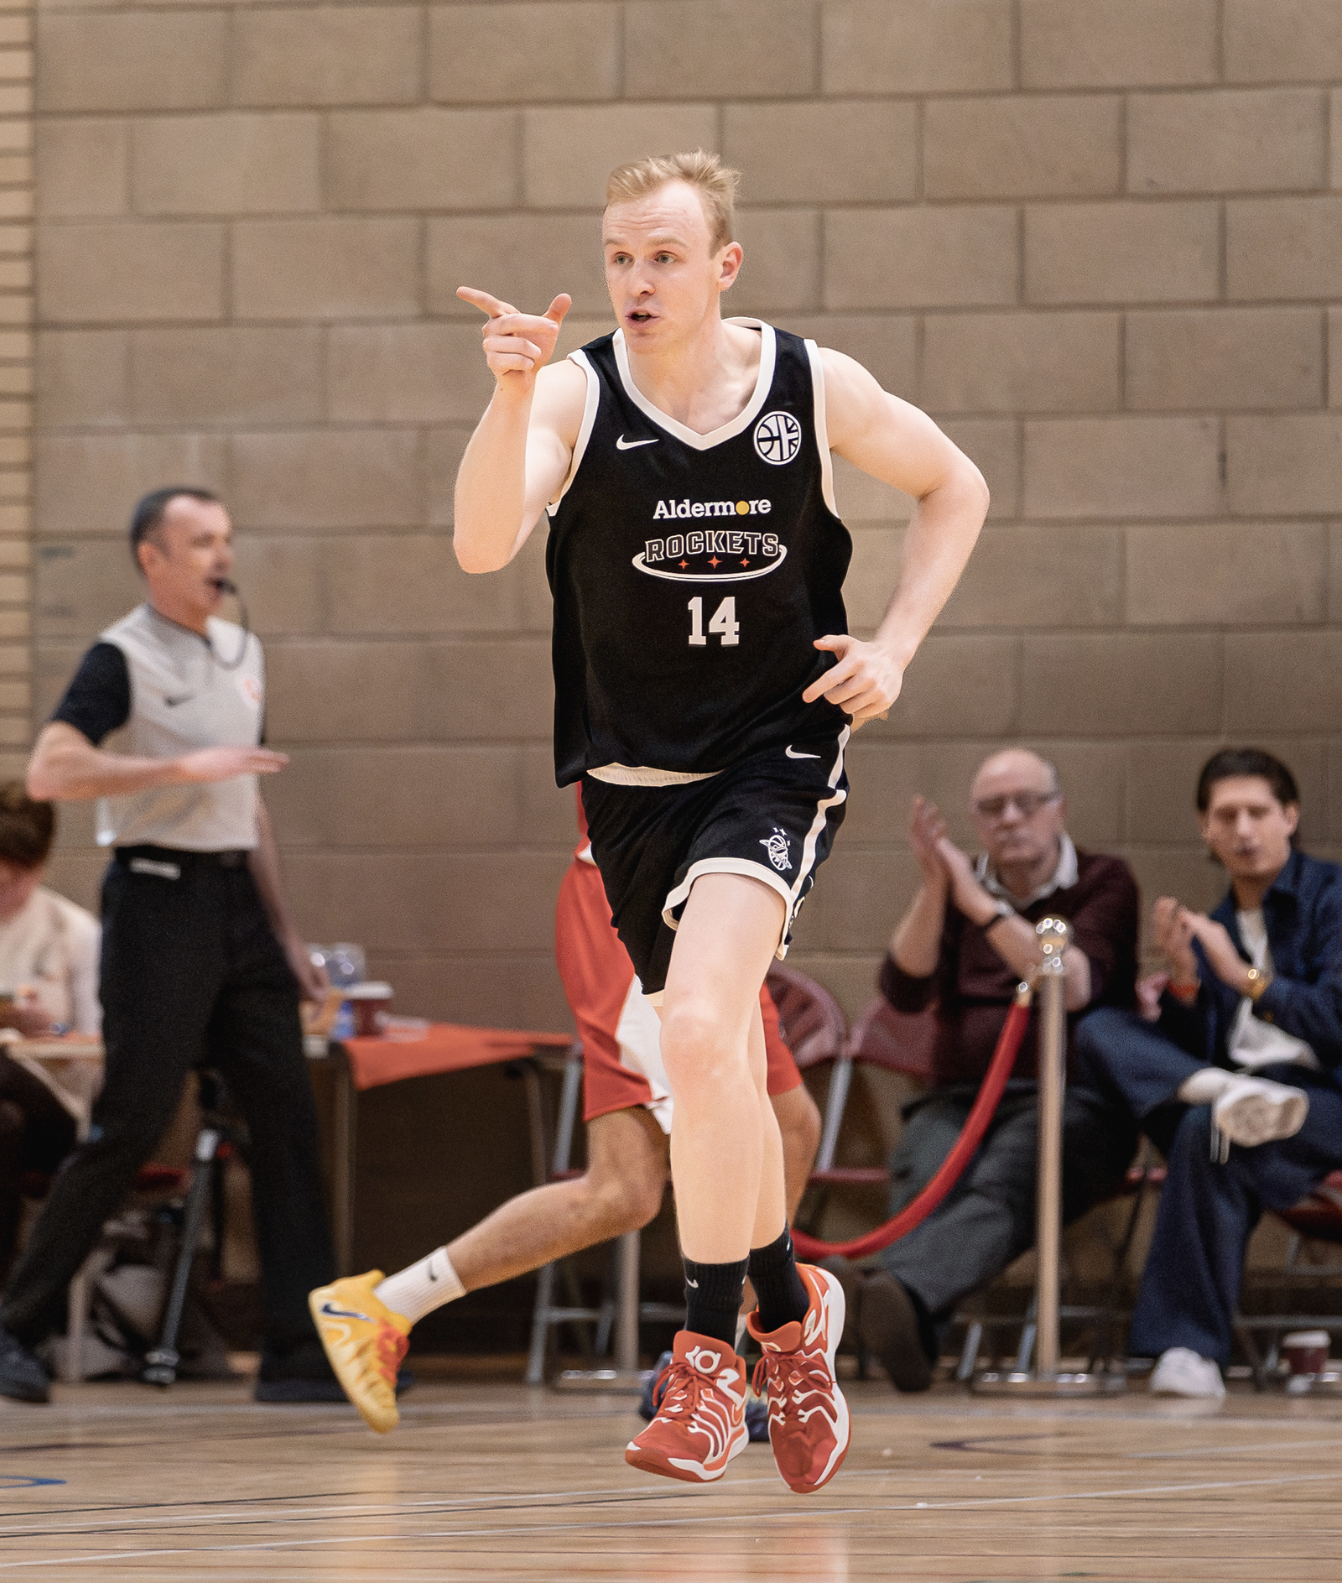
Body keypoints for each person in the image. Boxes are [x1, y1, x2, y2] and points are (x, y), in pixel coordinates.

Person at [321, 148, 986, 1492]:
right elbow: (477, 541)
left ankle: (704, 1353)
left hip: (775, 756)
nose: (636, 278)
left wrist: (897, 648)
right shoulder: (574, 391)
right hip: (630, 791)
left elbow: (953, 485)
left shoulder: (807, 385)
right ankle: (792, 1321)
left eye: (664, 255)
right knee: (712, 1074)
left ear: (722, 265)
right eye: (619, 255)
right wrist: (506, 395)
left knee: (698, 1027)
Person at [311, 796, 823, 1437]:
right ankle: (708, 1364)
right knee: (636, 1178)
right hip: (645, 883)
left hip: (716, 879)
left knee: (774, 1129)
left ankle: (383, 1307)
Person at [0, 486, 340, 1405]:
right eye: (199, 543)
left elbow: (248, 802)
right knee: (131, 1125)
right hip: (157, 900)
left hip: (237, 900)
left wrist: (288, 936)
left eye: (225, 539)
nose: (219, 557)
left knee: (288, 1124)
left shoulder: (243, 650)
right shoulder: (123, 655)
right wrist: (172, 767)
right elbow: (50, 766)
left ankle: (302, 1353)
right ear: (152, 558)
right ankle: (13, 1327)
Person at [838, 748, 1140, 1390]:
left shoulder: (1105, 881)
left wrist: (977, 902)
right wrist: (936, 888)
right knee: (925, 1173)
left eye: (1026, 802)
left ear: (1058, 809)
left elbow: (1071, 983)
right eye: (991, 808)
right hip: (959, 1099)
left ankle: (888, 1291)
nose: (1009, 818)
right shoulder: (957, 890)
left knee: (1007, 1177)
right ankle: (909, 1329)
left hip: (1072, 1105)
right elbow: (903, 990)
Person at [1076, 748, 1342, 1400]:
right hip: (1238, 1095)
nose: (1244, 830)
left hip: (1322, 1101)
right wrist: (1189, 986)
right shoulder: (1216, 924)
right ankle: (1231, 1098)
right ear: (1205, 827)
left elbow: (1336, 1021)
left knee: (1207, 1131)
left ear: (1290, 816)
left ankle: (1188, 1348)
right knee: (1098, 1030)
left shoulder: (1332, 898)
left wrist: (1243, 978)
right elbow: (1196, 1049)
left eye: (1258, 812)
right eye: (1227, 815)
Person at [0, 783, 100, 1281]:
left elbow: (100, 1049)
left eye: (16, 875)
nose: (3, 883)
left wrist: (54, 1034)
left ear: (41, 865)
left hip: (58, 1108)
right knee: (3, 1122)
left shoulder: (74, 932)